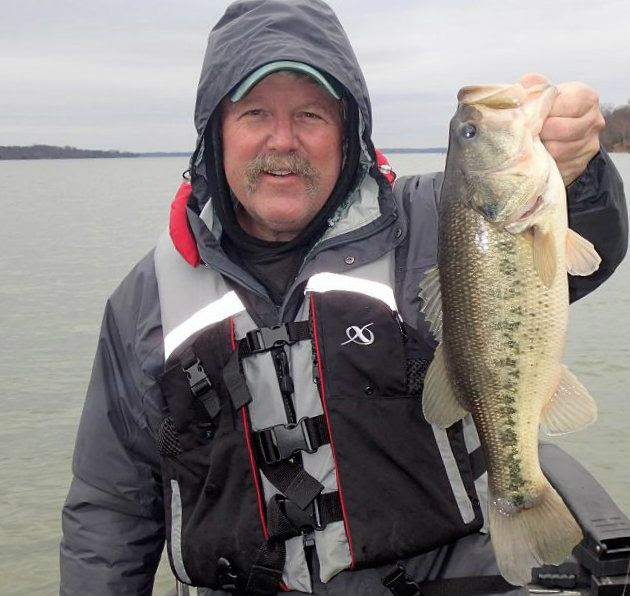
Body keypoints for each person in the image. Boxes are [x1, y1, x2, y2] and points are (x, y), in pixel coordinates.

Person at [59, 1, 628, 595]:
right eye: (255, 113)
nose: (283, 140)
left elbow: (590, 245)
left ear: (347, 131)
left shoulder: (434, 222)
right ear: (215, 134)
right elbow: (110, 505)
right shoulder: (144, 301)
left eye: (310, 114)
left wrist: (578, 171)